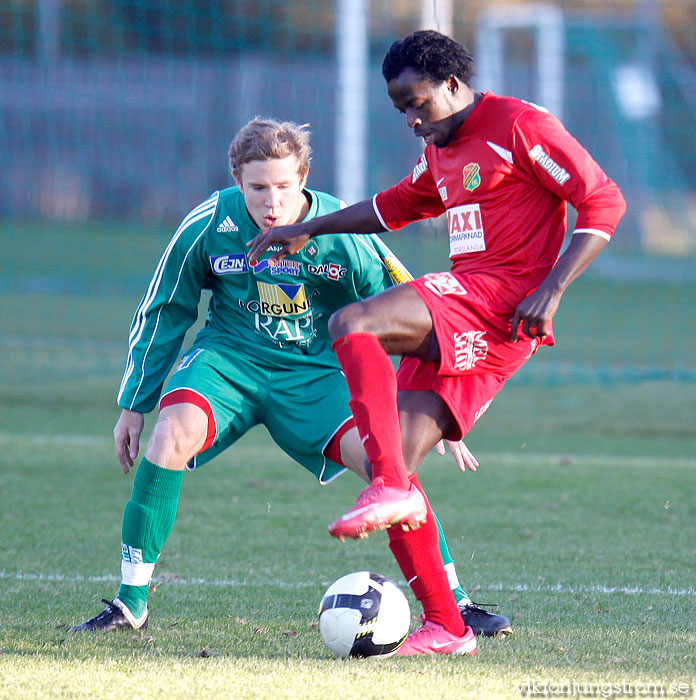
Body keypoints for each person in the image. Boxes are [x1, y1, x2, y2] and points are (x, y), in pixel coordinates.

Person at [247, 30, 627, 656]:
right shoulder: (439, 153)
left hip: (500, 300)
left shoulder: (518, 125)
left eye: (418, 102)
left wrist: (553, 288)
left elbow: (602, 201)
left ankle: (391, 489)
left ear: (453, 83)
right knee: (391, 460)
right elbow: (396, 204)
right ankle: (447, 626)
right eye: (400, 109)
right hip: (476, 316)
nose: (412, 119)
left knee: (354, 324)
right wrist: (309, 227)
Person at [70, 117, 512, 638]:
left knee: (386, 467)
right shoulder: (210, 223)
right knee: (171, 436)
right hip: (229, 360)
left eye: (283, 186)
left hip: (318, 375)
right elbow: (165, 307)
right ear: (238, 182)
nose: (271, 201)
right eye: (257, 187)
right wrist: (134, 403)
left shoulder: (341, 233)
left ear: (303, 177)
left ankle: (453, 601)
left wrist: (444, 405)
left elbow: (423, 308)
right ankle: (130, 604)